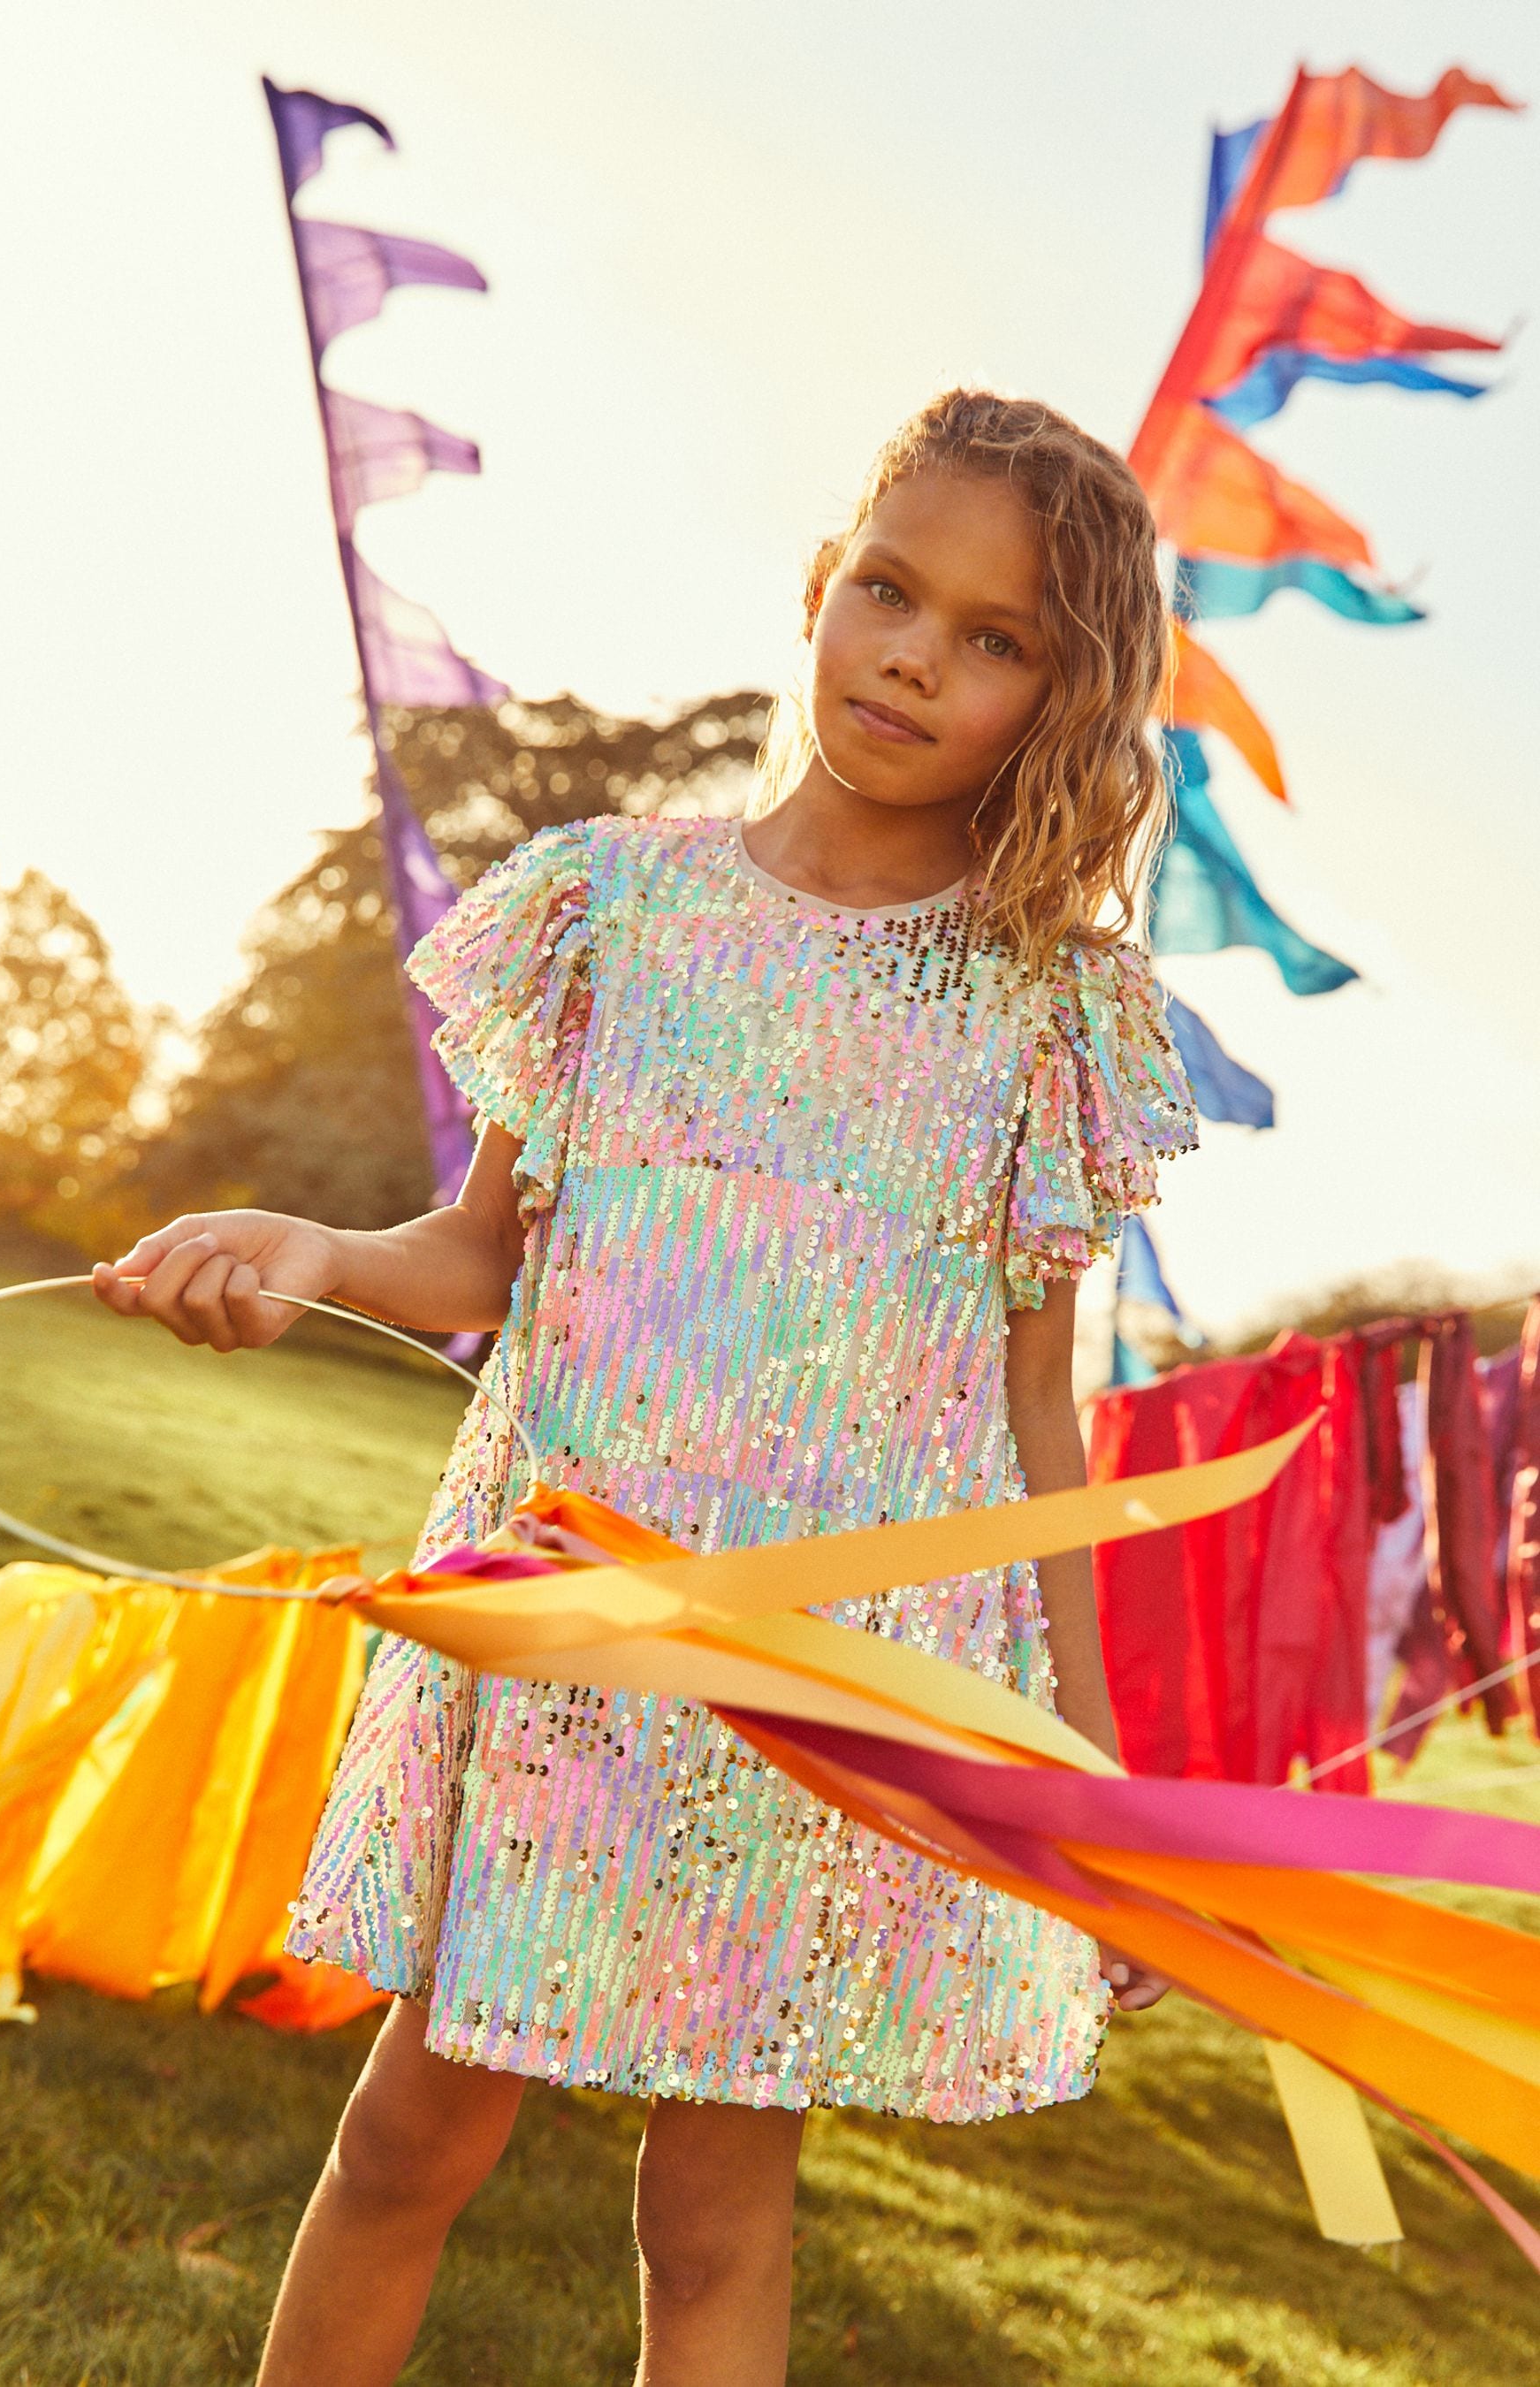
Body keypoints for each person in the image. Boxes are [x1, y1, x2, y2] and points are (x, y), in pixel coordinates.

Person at [94, 389, 1198, 2387]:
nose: (912, 658)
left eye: (993, 638)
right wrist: (323, 1255)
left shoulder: (1044, 1005)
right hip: (559, 1627)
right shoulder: (615, 905)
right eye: (890, 591)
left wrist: (1082, 1772)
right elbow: (476, 1257)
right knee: (410, 2132)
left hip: (811, 1682)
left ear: (1059, 694)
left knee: (713, 2213)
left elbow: (1046, 1424)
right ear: (818, 587)